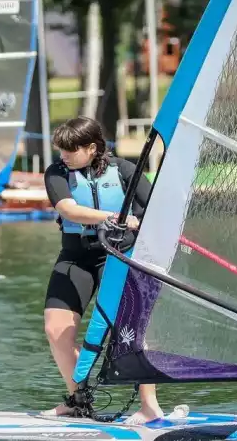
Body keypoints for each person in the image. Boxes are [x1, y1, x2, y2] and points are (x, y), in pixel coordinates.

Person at [42, 116, 163, 424]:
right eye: (61, 150)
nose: (63, 156)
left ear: (92, 148)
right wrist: (113, 216)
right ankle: (78, 401)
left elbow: (155, 209)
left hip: (122, 258)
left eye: (70, 150)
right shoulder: (57, 173)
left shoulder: (124, 171)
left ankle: (149, 406)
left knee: (132, 333)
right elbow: (68, 210)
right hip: (76, 257)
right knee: (57, 330)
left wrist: (142, 222)